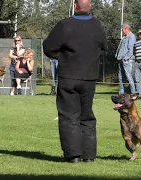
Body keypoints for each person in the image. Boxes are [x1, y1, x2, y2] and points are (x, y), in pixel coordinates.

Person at [43, 0, 107, 163]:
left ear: (75, 6)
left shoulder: (65, 25)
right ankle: (89, 156)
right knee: (86, 115)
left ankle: (73, 155)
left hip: (69, 75)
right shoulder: (98, 25)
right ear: (90, 6)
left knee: (68, 115)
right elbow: (104, 48)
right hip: (90, 77)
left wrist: (63, 57)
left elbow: (49, 48)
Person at [115, 23, 136, 95]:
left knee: (129, 77)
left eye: (122, 30)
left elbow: (130, 49)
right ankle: (121, 93)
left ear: (126, 29)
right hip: (120, 60)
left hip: (127, 61)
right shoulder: (124, 38)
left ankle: (133, 93)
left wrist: (125, 58)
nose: (122, 31)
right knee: (121, 78)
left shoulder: (131, 37)